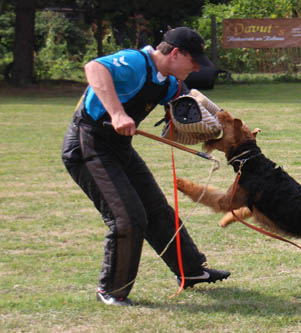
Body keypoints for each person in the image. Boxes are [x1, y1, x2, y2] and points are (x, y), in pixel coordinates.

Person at [61, 27, 230, 306]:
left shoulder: (169, 81)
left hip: (119, 148)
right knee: (128, 217)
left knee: (156, 210)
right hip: (87, 145)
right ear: (175, 53)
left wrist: (216, 124)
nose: (197, 67)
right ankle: (112, 291)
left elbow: (187, 102)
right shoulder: (136, 62)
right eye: (194, 60)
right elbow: (94, 68)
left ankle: (191, 273)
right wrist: (116, 113)